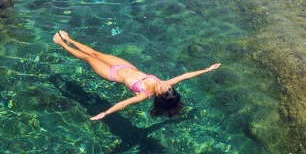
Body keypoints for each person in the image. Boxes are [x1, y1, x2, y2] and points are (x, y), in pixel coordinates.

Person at [52, 30, 220, 120]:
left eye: (163, 88)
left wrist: (105, 113)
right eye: (168, 86)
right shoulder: (164, 83)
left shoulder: (143, 94)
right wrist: (207, 70)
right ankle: (70, 39)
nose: (164, 84)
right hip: (125, 65)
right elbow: (186, 76)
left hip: (111, 73)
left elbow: (124, 103)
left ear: (160, 95)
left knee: (86, 57)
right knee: (95, 53)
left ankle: (62, 44)